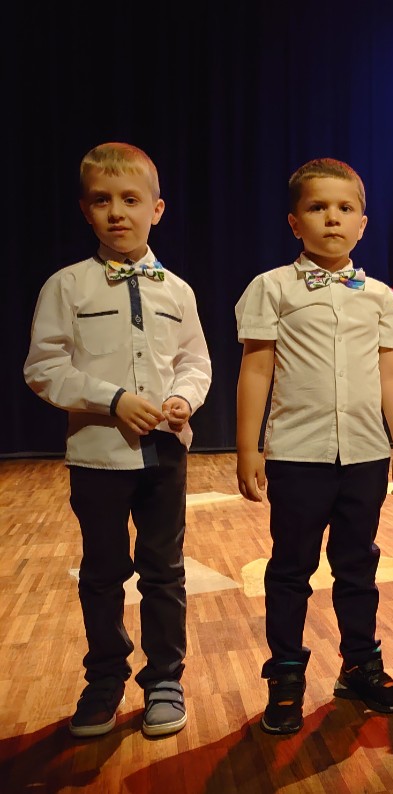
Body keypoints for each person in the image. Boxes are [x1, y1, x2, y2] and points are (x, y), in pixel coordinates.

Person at [24, 142, 212, 738]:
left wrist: (183, 398)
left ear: (157, 209)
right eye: (102, 200)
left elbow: (195, 361)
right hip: (98, 457)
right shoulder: (67, 286)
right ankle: (105, 678)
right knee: (103, 573)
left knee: (164, 571)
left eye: (131, 199)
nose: (117, 212)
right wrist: (112, 400)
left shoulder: (177, 290)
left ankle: (165, 679)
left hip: (166, 453)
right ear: (85, 210)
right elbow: (43, 367)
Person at [235, 158, 393, 734]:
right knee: (291, 567)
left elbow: (391, 373)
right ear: (294, 222)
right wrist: (248, 447)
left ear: (363, 223)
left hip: (364, 453)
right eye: (318, 207)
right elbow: (257, 369)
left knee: (358, 564)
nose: (332, 218)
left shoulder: (379, 296)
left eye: (345, 208)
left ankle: (360, 663)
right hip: (297, 453)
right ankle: (286, 674)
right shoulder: (272, 287)